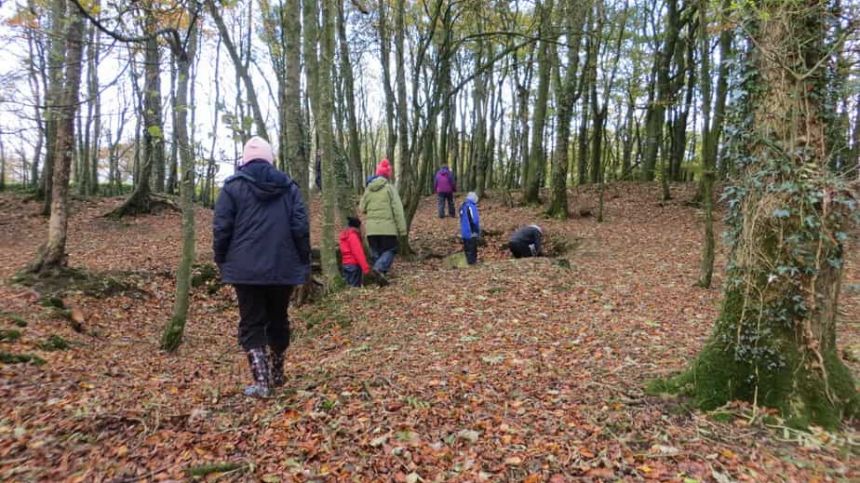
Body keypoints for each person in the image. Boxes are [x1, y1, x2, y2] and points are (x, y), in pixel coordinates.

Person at [213, 136, 311, 399]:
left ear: (245, 159)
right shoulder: (289, 187)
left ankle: (262, 382)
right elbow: (300, 227)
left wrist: (221, 259)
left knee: (252, 321)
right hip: (283, 266)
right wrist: (303, 261)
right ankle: (277, 374)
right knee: (278, 318)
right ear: (270, 159)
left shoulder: (232, 187)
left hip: (245, 269)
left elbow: (222, 228)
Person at [360, 158, 407, 284]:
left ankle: (378, 275)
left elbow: (362, 208)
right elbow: (398, 210)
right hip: (388, 229)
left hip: (371, 230)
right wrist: (402, 229)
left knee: (377, 251)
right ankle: (378, 269)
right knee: (391, 249)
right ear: (387, 175)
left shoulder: (368, 189)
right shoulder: (390, 189)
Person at [339, 216, 370, 287]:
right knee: (354, 287)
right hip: (354, 265)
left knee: (349, 285)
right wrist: (365, 268)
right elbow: (358, 253)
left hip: (346, 264)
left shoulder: (344, 235)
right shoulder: (353, 236)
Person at [459, 192, 481, 265]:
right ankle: (472, 263)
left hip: (464, 232)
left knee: (467, 248)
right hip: (471, 232)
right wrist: (477, 230)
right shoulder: (471, 206)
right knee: (472, 249)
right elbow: (475, 220)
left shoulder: (463, 205)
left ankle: (468, 262)